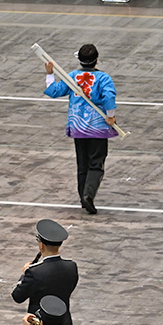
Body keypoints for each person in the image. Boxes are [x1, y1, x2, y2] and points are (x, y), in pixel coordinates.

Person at [44, 44, 118, 214]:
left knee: (82, 164)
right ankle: (88, 195)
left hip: (78, 126)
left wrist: (50, 74)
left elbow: (54, 91)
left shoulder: (72, 76)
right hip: (97, 127)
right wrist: (110, 115)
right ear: (96, 60)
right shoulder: (103, 78)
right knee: (96, 163)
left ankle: (82, 197)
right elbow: (108, 97)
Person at [12, 219, 79, 325]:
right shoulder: (71, 266)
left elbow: (17, 296)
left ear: (41, 245)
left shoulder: (34, 272)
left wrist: (25, 274)